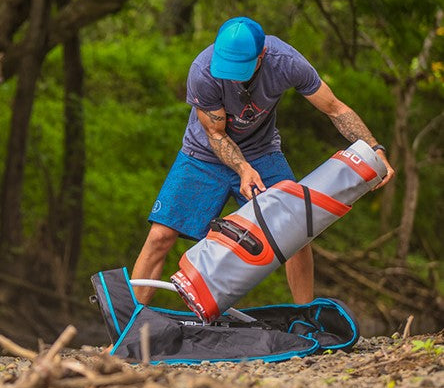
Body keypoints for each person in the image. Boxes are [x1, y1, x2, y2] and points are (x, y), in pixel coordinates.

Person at [131, 16, 394, 305]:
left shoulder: (286, 62)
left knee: (296, 235)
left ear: (261, 56)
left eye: (239, 69)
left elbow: (334, 108)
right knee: (160, 236)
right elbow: (214, 133)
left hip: (263, 151)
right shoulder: (203, 70)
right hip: (203, 155)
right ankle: (127, 328)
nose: (231, 77)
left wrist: (373, 148)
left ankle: (304, 316)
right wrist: (243, 169)